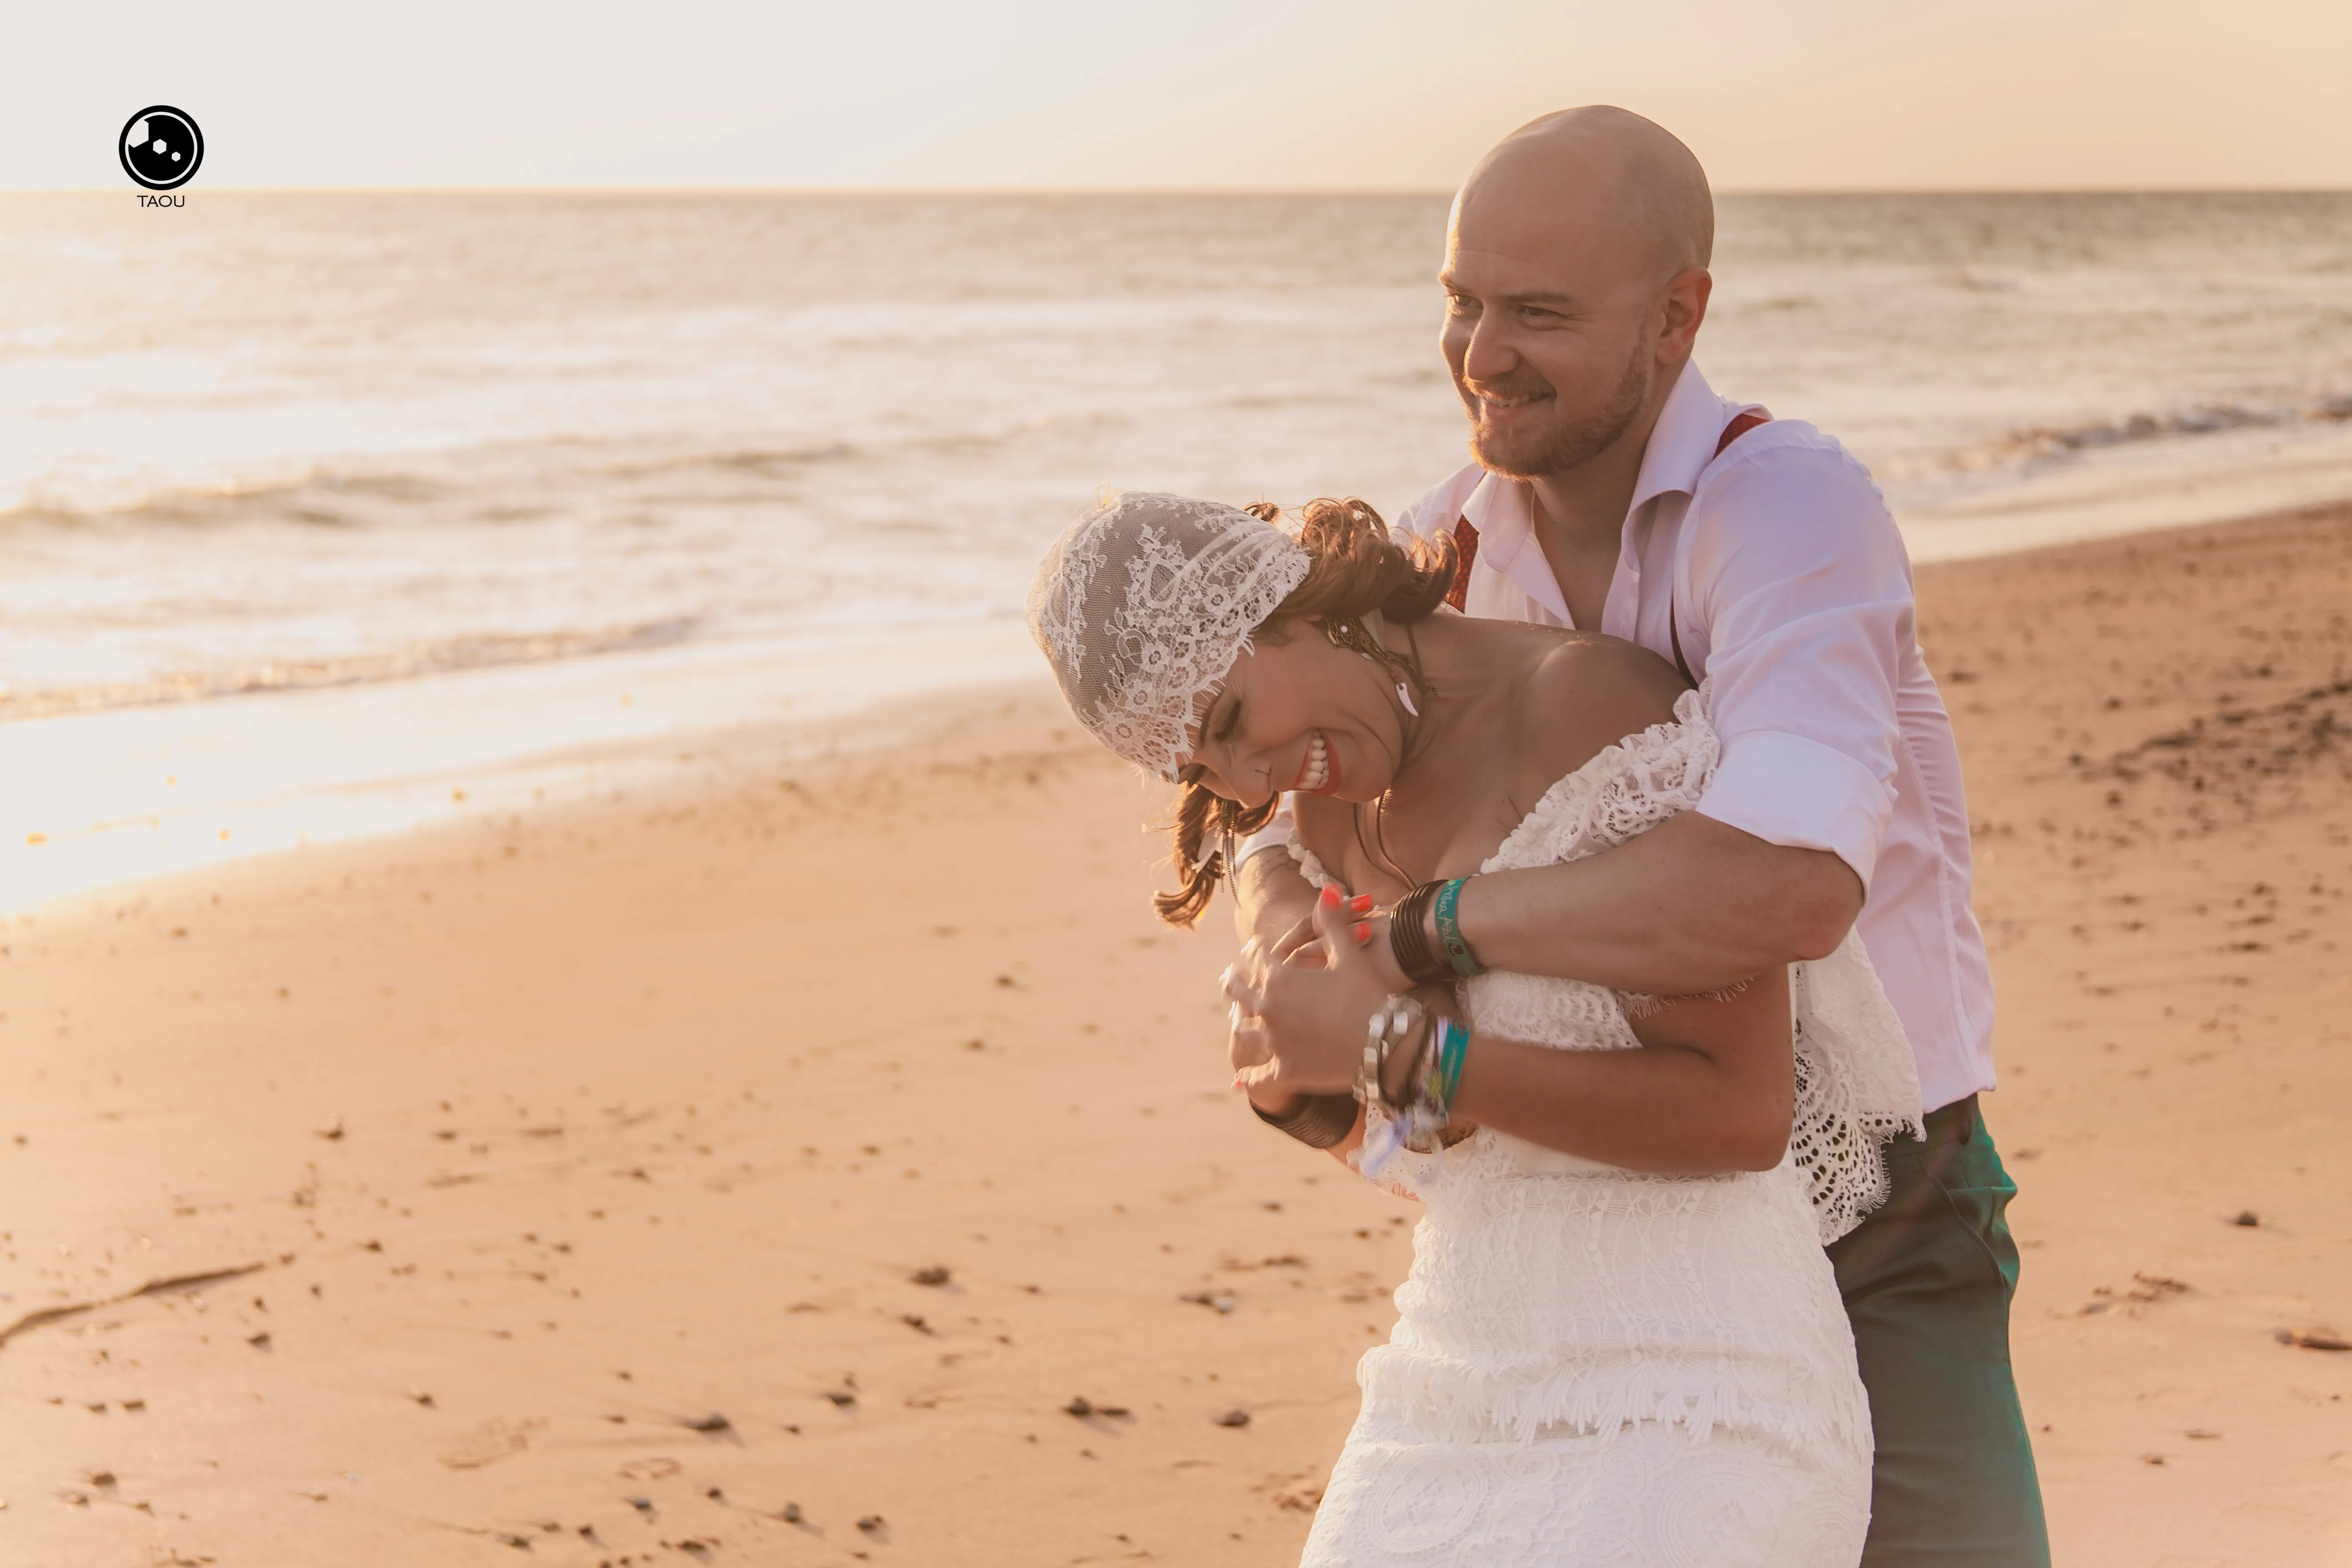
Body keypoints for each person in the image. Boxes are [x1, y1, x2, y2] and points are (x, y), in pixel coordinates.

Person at [1229, 108, 2049, 1565]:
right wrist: (1315, 1022)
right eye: (1460, 302)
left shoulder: (1787, 510)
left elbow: (1782, 889)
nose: (1480, 353)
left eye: (1536, 313)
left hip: (1880, 1200)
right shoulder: (1441, 559)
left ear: (1676, 319)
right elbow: (1313, 871)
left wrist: (1431, 934)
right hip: (1591, 1256)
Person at [1027, 488, 1927, 1565]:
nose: (1249, 781)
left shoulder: (1583, 705)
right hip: (1453, 1376)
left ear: (1294, 604)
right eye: (1201, 771)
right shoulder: (1320, 815)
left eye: (1227, 724)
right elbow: (1444, 1148)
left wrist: (1409, 1055)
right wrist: (1306, 1096)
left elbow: (1741, 1116)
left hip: (1698, 1378)